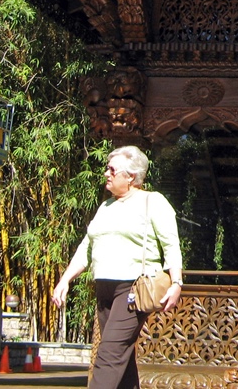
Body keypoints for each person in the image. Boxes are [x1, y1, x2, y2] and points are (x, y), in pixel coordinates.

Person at [53, 146, 182, 389]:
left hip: (133, 289)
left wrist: (176, 283)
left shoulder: (152, 201)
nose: (106, 174)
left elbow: (171, 244)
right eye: (107, 168)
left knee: (109, 353)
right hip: (104, 289)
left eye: (112, 169)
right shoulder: (105, 207)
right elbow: (87, 248)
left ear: (131, 176)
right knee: (121, 356)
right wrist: (65, 280)